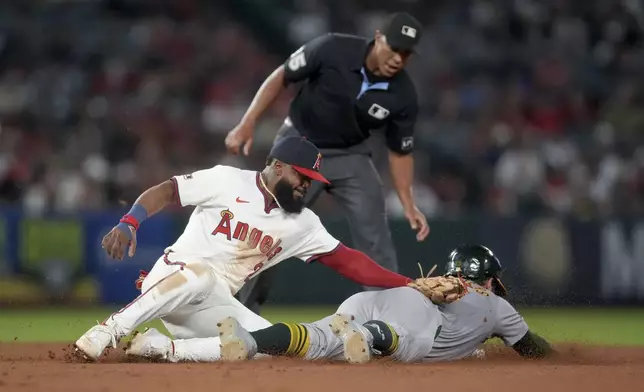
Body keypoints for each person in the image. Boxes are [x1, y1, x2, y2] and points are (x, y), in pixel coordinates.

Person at [73, 137, 415, 362]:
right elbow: (167, 191)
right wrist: (130, 222)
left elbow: (350, 263)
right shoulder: (227, 180)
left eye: (311, 181)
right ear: (278, 166)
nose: (307, 186)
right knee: (201, 275)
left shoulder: (303, 222)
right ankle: (108, 330)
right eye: (303, 177)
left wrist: (407, 284)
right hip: (173, 279)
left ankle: (163, 348)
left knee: (267, 347)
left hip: (213, 303)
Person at [226, 12, 431, 314]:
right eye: (393, 46)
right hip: (299, 147)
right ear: (377, 37)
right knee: (268, 229)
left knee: (376, 240)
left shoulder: (403, 95)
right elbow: (282, 75)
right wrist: (247, 123)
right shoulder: (332, 48)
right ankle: (238, 315)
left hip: (351, 156)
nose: (397, 58)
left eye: (405, 53)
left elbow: (400, 151)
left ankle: (390, 322)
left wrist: (409, 204)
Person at [123, 244, 553, 364]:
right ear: (491, 278)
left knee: (317, 336)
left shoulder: (442, 288)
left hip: (382, 298)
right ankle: (364, 340)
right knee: (400, 339)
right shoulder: (500, 307)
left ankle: (251, 342)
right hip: (412, 320)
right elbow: (532, 349)